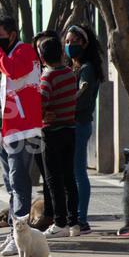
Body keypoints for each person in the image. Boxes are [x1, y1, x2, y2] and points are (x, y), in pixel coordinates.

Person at [0, 15, 43, 257]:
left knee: (19, 184)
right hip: (3, 130)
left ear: (12, 34)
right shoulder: (3, 54)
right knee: (10, 185)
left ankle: (22, 236)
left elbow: (14, 71)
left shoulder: (24, 52)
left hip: (22, 129)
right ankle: (14, 233)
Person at [64, 24, 104, 234]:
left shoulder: (87, 69)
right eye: (67, 41)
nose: (70, 45)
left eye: (74, 41)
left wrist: (61, 107)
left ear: (85, 43)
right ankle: (74, 217)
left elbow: (82, 99)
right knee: (72, 172)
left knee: (78, 172)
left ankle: (81, 219)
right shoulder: (74, 67)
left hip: (79, 124)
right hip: (71, 124)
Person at [39, 38, 80, 237]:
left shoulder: (47, 77)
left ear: (42, 57)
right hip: (70, 129)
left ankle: (60, 223)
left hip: (52, 132)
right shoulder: (70, 74)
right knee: (69, 178)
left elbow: (40, 102)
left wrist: (41, 114)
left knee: (53, 180)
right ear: (62, 53)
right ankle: (74, 223)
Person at [31, 30, 58, 228]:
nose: (41, 52)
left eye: (44, 47)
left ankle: (56, 215)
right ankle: (50, 214)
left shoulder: (56, 71)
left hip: (55, 129)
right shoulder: (32, 71)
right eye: (38, 48)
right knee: (46, 175)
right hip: (36, 129)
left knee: (56, 176)